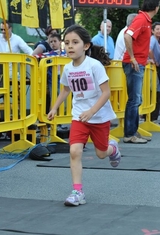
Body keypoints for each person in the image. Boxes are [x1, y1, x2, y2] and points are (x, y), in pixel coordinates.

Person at [47, 25, 121, 206]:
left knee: (101, 153)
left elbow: (106, 93)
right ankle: (77, 192)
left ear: (86, 46)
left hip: (98, 116)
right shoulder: (67, 69)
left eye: (75, 42)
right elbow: (65, 89)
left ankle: (113, 149)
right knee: (74, 151)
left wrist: (92, 111)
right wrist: (54, 107)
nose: (70, 46)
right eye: (66, 43)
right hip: (79, 116)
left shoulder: (94, 66)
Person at [122, 0, 160, 143]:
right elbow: (128, 35)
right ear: (156, 8)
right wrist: (132, 58)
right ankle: (129, 134)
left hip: (136, 63)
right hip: (133, 64)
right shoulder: (142, 19)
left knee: (135, 99)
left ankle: (132, 131)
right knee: (134, 99)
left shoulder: (144, 19)